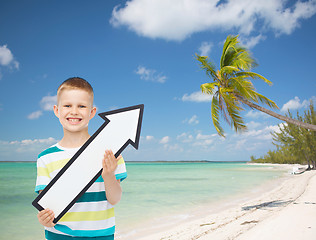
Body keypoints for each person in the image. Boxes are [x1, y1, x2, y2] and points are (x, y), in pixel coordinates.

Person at [35, 77, 127, 240]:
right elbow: (47, 207)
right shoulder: (46, 158)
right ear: (57, 110)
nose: (74, 111)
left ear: (92, 112)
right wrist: (45, 219)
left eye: (82, 106)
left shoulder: (110, 153)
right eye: (68, 105)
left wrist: (108, 175)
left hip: (101, 235)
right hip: (59, 235)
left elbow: (115, 199)